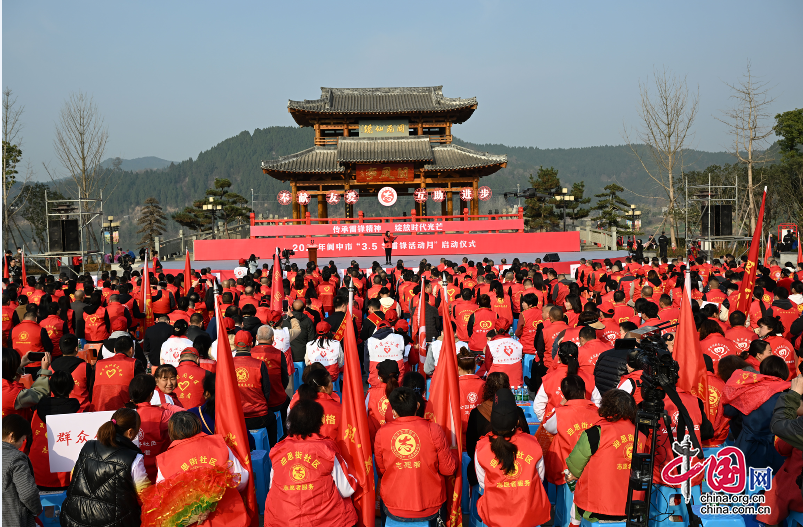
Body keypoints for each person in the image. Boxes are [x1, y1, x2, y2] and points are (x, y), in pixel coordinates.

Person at [264, 399, 357, 527]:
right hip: (326, 522)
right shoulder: (327, 450)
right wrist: (354, 477)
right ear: (318, 423)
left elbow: (272, 487)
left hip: (282, 521)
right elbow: (346, 490)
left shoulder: (278, 450)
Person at [146, 412, 249, 527]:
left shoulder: (165, 461)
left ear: (171, 433)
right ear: (198, 425)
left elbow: (164, 502)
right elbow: (242, 478)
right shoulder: (220, 444)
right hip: (230, 517)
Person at [375, 386, 457, 524]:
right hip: (430, 505)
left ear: (394, 412)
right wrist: (453, 452)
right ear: (418, 405)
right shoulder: (434, 429)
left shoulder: (382, 433)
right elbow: (448, 469)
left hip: (394, 505)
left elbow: (381, 470)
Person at [60, 408, 150, 527]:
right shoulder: (134, 458)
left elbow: (73, 477)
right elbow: (145, 495)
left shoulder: (88, 446)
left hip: (74, 518)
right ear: (130, 432)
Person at [565, 389, 646, 522]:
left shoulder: (595, 433)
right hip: (631, 509)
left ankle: (573, 524)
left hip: (595, 509)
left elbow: (574, 466)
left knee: (572, 482)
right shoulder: (641, 437)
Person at [474, 389, 551, 527]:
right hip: (529, 514)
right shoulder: (532, 443)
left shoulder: (482, 447)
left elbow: (483, 484)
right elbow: (539, 478)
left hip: (495, 516)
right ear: (517, 420)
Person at [723, 355, 790, 472]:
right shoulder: (786, 396)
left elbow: (729, 410)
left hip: (746, 446)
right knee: (771, 484)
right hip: (773, 447)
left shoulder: (750, 390)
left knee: (745, 482)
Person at [466, 372, 530, 487]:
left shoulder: (476, 413)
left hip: (485, 468)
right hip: (515, 466)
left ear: (487, 388)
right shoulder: (517, 411)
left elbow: (471, 449)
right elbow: (526, 442)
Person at [29, 370, 79, 490]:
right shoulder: (79, 412)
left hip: (38, 473)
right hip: (68, 477)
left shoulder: (37, 412)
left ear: (50, 387)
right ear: (72, 387)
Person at [231, 330, 278, 446]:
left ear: (235, 345)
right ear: (251, 344)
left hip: (235, 419)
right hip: (258, 417)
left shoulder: (227, 365)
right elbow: (266, 392)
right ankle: (272, 450)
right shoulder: (259, 364)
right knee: (272, 417)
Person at [2, 414, 42, 527]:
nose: (21, 445)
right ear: (12, 436)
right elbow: (28, 494)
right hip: (12, 519)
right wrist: (37, 509)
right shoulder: (16, 458)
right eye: (22, 440)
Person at [92, 336, 145, 412]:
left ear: (114, 350)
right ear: (131, 350)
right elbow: (142, 389)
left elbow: (91, 389)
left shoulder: (98, 364)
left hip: (98, 409)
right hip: (124, 413)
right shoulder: (134, 364)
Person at [291, 367, 342, 441]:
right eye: (330, 382)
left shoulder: (298, 402)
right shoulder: (338, 408)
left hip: (303, 449)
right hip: (331, 449)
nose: (332, 385)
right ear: (323, 388)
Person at [2, 347, 52, 420]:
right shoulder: (12, 394)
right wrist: (44, 371)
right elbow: (39, 393)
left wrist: (21, 364)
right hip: (17, 429)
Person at [51, 333, 94, 410]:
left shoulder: (51, 367)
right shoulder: (85, 366)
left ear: (60, 348)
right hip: (82, 410)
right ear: (76, 349)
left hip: (57, 409)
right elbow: (91, 388)